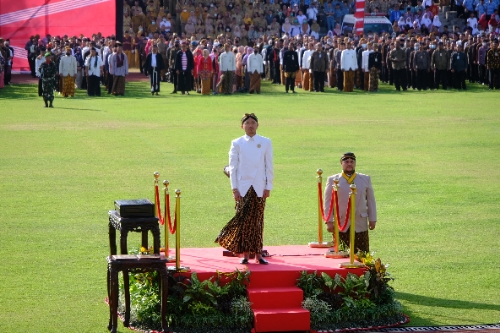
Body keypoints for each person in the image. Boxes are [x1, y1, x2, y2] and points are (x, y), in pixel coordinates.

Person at [216, 113, 274, 265]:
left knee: (257, 221)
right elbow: (233, 167)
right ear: (242, 126)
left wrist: (268, 186)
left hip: (259, 186)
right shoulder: (237, 143)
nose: (250, 125)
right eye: (247, 123)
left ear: (257, 125)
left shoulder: (265, 142)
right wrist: (234, 189)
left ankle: (258, 253)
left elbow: (269, 166)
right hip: (243, 186)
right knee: (243, 220)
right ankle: (245, 254)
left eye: (253, 122)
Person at [323, 152, 377, 253]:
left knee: (363, 253)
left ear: (355, 163)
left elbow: (370, 200)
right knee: (341, 252)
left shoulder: (365, 179)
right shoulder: (333, 180)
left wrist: (373, 219)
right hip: (341, 223)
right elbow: (328, 202)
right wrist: (329, 221)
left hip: (360, 222)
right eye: (346, 162)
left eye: (352, 162)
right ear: (341, 163)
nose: (349, 164)